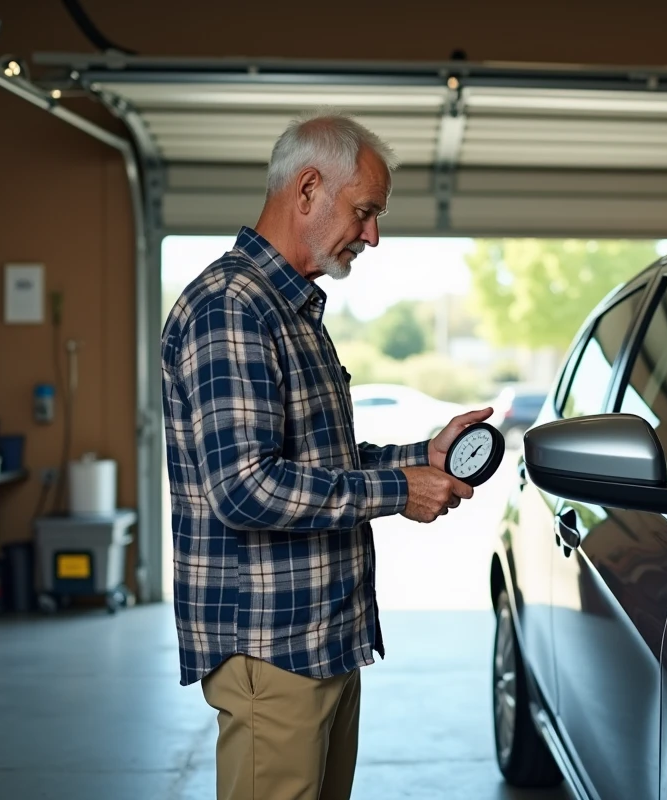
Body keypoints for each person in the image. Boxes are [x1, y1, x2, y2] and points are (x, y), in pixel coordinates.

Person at [159, 111, 493, 800]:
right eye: (365, 211)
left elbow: (320, 456)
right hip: (271, 650)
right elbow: (247, 488)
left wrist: (421, 454)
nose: (373, 234)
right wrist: (401, 490)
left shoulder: (293, 313)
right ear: (307, 188)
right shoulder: (231, 307)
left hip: (322, 639)